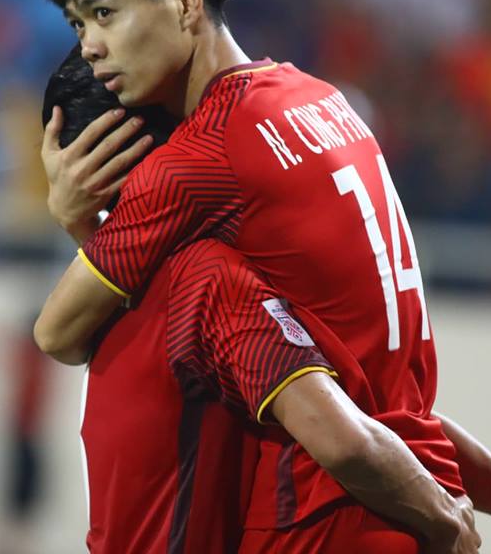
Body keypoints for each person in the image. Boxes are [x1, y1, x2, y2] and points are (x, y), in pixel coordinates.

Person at [33, 0, 491, 552]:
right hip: (413, 480)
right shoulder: (325, 100)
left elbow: (57, 332)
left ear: (187, 2)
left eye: (104, 13)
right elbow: (376, 395)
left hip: (330, 514)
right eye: (78, 25)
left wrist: (72, 214)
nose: (90, 46)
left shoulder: (196, 163)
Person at [43, 46, 469, 554]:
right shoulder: (210, 281)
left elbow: (57, 334)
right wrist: (446, 521)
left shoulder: (120, 302)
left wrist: (78, 222)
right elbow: (345, 433)